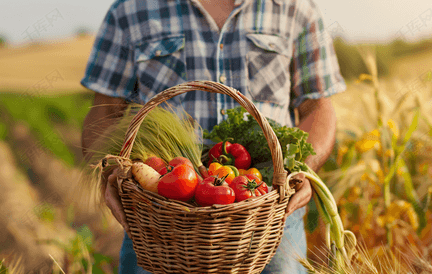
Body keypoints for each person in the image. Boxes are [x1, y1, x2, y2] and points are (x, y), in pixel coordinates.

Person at [81, 0, 345, 273]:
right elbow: (104, 110)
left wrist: (303, 168)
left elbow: (318, 106)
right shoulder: (130, 10)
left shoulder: (296, 8)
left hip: (271, 213)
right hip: (159, 219)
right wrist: (112, 169)